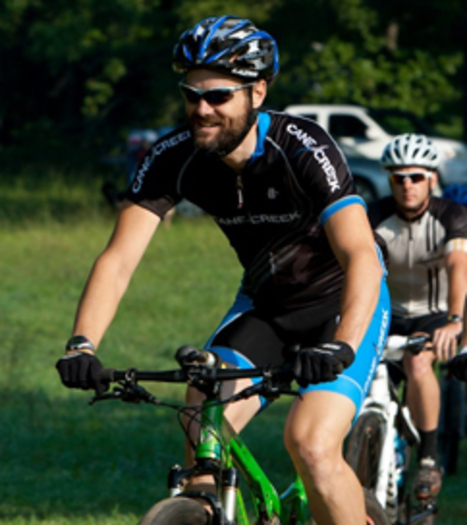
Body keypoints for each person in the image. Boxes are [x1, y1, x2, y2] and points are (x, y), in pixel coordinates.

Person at [56, 15, 391, 524]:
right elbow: (119, 259)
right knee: (201, 421)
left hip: (341, 306)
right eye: (192, 96)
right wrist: (82, 345)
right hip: (265, 306)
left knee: (312, 446)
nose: (202, 110)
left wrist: (341, 344)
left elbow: (361, 255)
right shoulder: (173, 156)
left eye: (219, 97)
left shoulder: (301, 146)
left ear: (257, 91)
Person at [368, 133, 467, 501]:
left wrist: (456, 321)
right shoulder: (374, 215)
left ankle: (428, 458)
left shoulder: (451, 215)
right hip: (387, 313)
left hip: (434, 314)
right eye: (398, 177)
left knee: (419, 365)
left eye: (416, 176)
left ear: (431, 179)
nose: (407, 185)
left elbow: (460, 267)